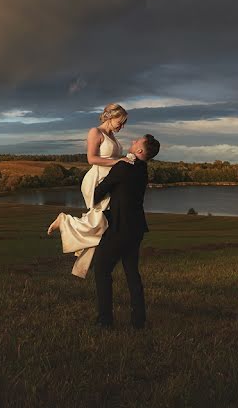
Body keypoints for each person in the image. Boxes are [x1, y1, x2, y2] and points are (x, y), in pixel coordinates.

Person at [47, 103, 134, 278]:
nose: (122, 126)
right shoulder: (95, 132)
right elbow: (91, 158)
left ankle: (82, 264)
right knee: (99, 219)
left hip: (109, 181)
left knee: (103, 223)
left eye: (124, 123)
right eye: (121, 122)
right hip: (96, 180)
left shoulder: (112, 136)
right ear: (110, 117)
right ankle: (64, 221)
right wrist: (120, 161)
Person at [92, 133, 160, 329]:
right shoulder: (143, 169)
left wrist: (93, 181)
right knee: (131, 273)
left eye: (136, 141)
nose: (132, 142)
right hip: (137, 228)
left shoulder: (123, 168)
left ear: (139, 150)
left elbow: (98, 193)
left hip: (119, 228)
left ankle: (105, 321)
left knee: (102, 270)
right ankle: (139, 321)